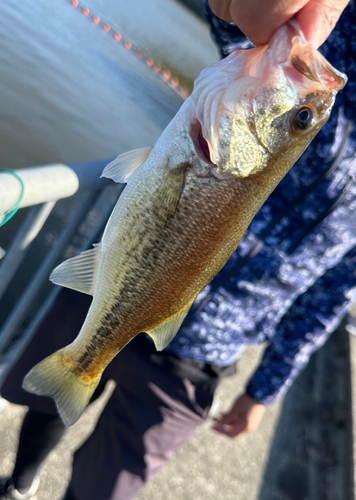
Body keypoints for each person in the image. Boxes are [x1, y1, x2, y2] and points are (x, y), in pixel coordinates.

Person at [1, 0, 355, 499]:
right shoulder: (334, 33)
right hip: (120, 274)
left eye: (301, 119)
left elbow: (331, 297)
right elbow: (233, 31)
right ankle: (19, 483)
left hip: (210, 349)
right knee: (43, 412)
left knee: (110, 483)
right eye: (301, 118)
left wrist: (263, 390)